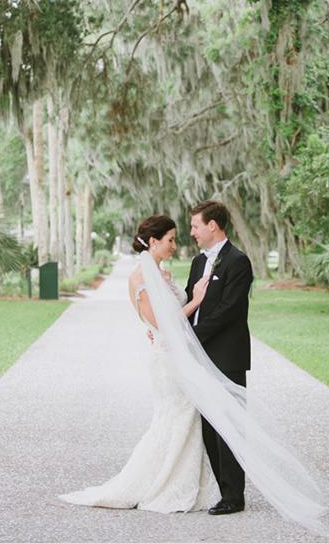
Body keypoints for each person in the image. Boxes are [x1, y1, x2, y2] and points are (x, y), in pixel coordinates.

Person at [59, 215, 220, 513]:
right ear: (154, 241)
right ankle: (156, 484)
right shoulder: (140, 277)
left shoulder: (160, 274)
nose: (175, 245)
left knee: (183, 416)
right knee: (176, 416)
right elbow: (161, 321)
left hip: (176, 352)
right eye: (170, 239)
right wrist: (196, 299)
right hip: (166, 360)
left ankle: (183, 480)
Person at [185, 200, 253, 515]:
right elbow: (190, 302)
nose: (192, 232)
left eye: (196, 225)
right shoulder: (198, 262)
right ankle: (224, 490)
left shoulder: (238, 262)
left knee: (230, 426)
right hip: (198, 358)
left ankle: (234, 497)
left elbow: (230, 311)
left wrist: (190, 337)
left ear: (213, 225)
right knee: (208, 426)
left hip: (226, 356)